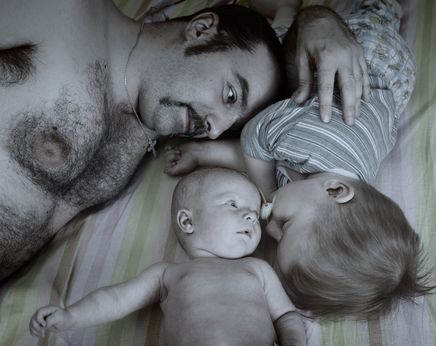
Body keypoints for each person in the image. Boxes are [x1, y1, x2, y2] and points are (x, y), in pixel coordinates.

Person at [0, 0, 368, 281]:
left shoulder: (151, 120)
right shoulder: (64, 12)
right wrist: (318, 16)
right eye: (228, 96)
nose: (213, 129)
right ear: (201, 28)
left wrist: (317, 20)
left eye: (229, 125)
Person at [164, 0, 435, 319]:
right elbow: (255, 136)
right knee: (280, 61)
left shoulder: (336, 189)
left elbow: (273, 160)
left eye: (276, 241)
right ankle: (293, 12)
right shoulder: (309, 143)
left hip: (385, 101)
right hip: (372, 57)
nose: (270, 227)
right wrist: (263, 190)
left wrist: (203, 156)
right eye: (286, 225)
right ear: (335, 190)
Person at [30, 168, 306, 346]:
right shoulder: (168, 275)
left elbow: (286, 315)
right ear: (187, 221)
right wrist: (70, 316)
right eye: (233, 204)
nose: (249, 216)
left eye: (254, 214)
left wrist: (294, 345)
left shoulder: (257, 269)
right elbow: (116, 299)